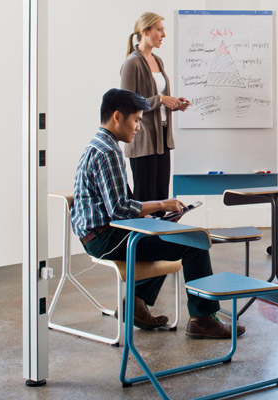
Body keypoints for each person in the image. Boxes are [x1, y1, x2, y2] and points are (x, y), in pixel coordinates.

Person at [71, 88, 243, 339]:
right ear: (118, 117)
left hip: (97, 234)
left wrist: (156, 214)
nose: (138, 127)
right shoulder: (108, 152)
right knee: (194, 241)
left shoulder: (99, 144)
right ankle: (203, 319)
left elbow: (118, 206)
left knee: (164, 233)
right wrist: (162, 205)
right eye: (136, 120)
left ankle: (136, 304)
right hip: (104, 239)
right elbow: (119, 210)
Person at [121, 12, 190, 210]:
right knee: (147, 200)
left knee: (162, 199)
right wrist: (160, 100)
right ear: (145, 31)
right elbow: (126, 102)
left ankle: (158, 241)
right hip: (143, 141)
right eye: (159, 29)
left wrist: (174, 103)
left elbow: (156, 101)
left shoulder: (157, 60)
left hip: (162, 139)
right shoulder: (131, 63)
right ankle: (143, 242)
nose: (164, 35)